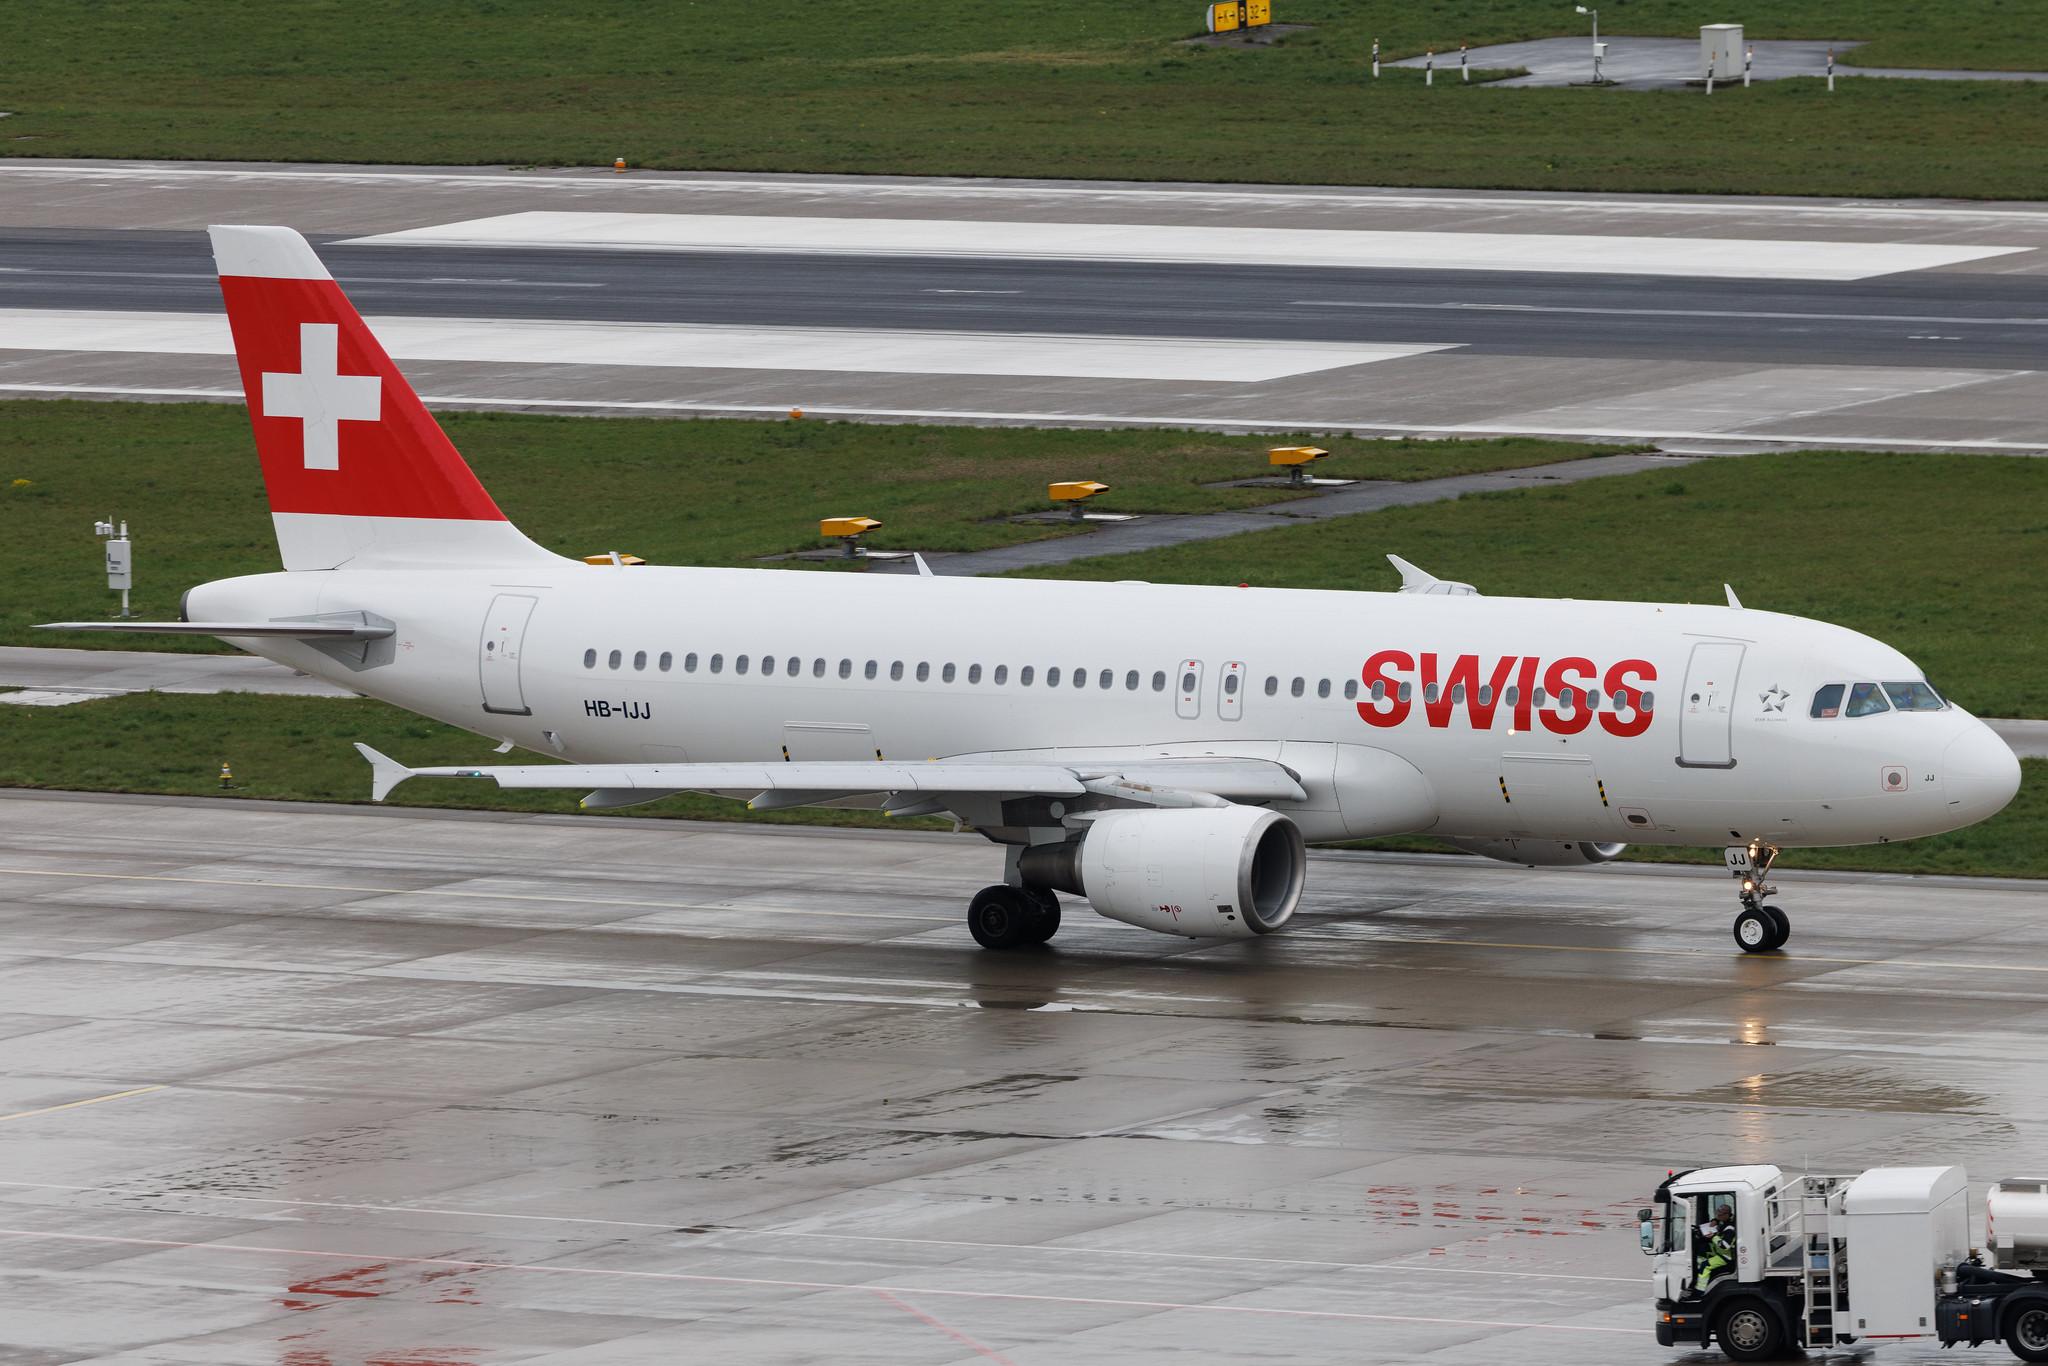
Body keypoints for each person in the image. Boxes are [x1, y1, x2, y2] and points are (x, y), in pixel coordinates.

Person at [1696, 1202, 1737, 1292]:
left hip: (1726, 1256)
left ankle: (1700, 1291)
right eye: (1717, 1214)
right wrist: (1715, 1220)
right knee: (1701, 1251)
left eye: (1720, 1215)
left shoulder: (1730, 1228)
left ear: (1726, 1214)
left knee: (1705, 1266)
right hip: (1719, 1252)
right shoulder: (1726, 1221)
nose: (1718, 1216)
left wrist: (1713, 1236)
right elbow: (1719, 1222)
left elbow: (1725, 1245)